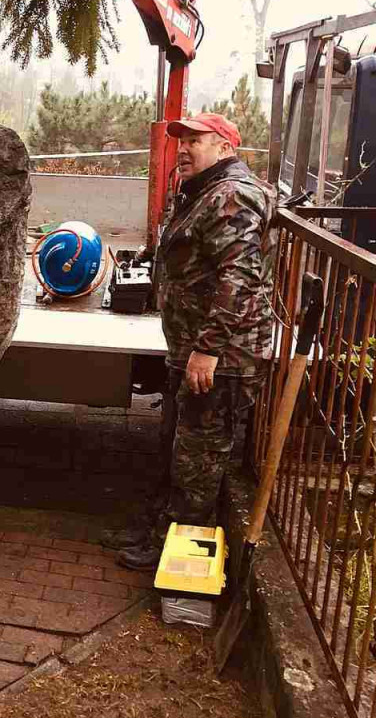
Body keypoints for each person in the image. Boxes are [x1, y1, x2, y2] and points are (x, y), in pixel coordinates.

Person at [104, 112, 277, 571]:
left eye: (195, 140)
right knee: (179, 448)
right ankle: (160, 532)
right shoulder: (203, 192)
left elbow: (239, 277)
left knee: (198, 460)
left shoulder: (234, 196)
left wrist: (208, 349)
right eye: (180, 141)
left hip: (222, 357)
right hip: (195, 348)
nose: (182, 149)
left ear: (225, 147)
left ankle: (182, 557)